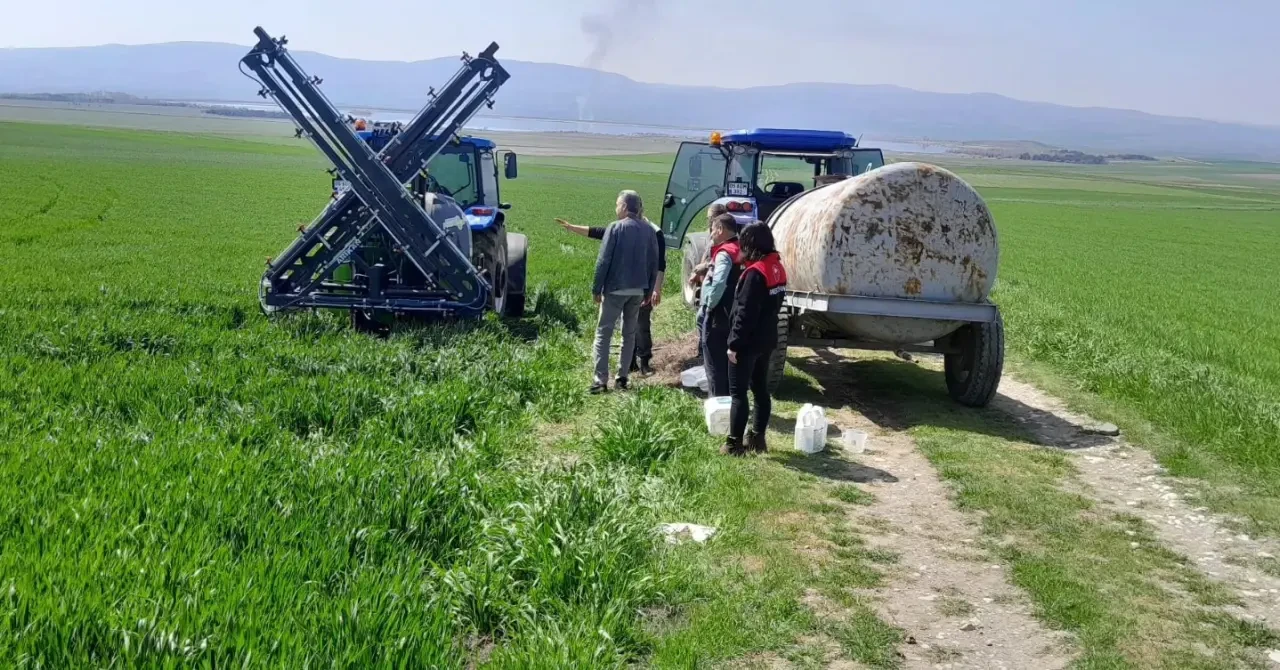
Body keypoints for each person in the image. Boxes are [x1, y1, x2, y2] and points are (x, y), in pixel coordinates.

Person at [556, 211, 666, 376]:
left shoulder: (654, 232)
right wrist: (572, 227)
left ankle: (644, 362)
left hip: (642, 287)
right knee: (628, 329)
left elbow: (659, 263)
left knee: (641, 325)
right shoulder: (625, 228)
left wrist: (656, 288)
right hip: (631, 286)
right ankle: (629, 366)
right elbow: (598, 232)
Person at [722, 221, 788, 456]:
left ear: (750, 244)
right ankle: (758, 438)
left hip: (748, 342)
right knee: (760, 390)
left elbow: (745, 313)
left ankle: (733, 444)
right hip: (768, 338)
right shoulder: (776, 268)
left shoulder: (755, 273)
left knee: (738, 393)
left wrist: (734, 345)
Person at [585, 190, 659, 394]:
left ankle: (601, 380)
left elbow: (603, 260)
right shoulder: (649, 230)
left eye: (617, 204)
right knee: (629, 334)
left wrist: (596, 288)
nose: (616, 208)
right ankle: (622, 378)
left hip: (615, 289)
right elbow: (654, 263)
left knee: (604, 333)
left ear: (625, 207)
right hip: (637, 290)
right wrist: (648, 289)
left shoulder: (615, 228)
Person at [696, 213, 742, 396]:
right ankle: (729, 401)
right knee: (728, 363)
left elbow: (719, 283)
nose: (712, 233)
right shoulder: (740, 249)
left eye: (713, 229)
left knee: (714, 365)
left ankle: (716, 402)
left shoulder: (724, 253)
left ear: (721, 229)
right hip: (734, 311)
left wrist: (708, 305)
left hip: (719, 313)